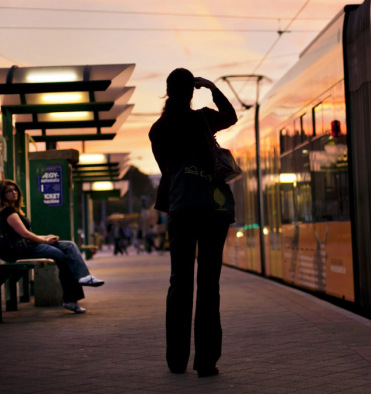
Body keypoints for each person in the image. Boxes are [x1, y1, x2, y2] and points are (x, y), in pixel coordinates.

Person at [149, 68, 237, 377]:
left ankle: (176, 360)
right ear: (191, 92)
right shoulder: (202, 118)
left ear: (168, 91)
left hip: (182, 209)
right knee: (208, 284)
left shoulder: (157, 130)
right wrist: (212, 87)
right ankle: (206, 362)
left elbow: (168, 170)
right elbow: (231, 115)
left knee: (180, 283)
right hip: (212, 210)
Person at [0, 179, 104, 313]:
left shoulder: (15, 210)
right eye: (9, 191)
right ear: (3, 194)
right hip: (20, 249)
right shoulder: (8, 212)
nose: (13, 193)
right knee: (59, 254)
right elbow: (25, 235)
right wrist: (46, 241)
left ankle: (84, 277)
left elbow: (27, 235)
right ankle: (71, 299)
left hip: (26, 245)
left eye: (15, 190)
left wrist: (46, 237)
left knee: (69, 246)